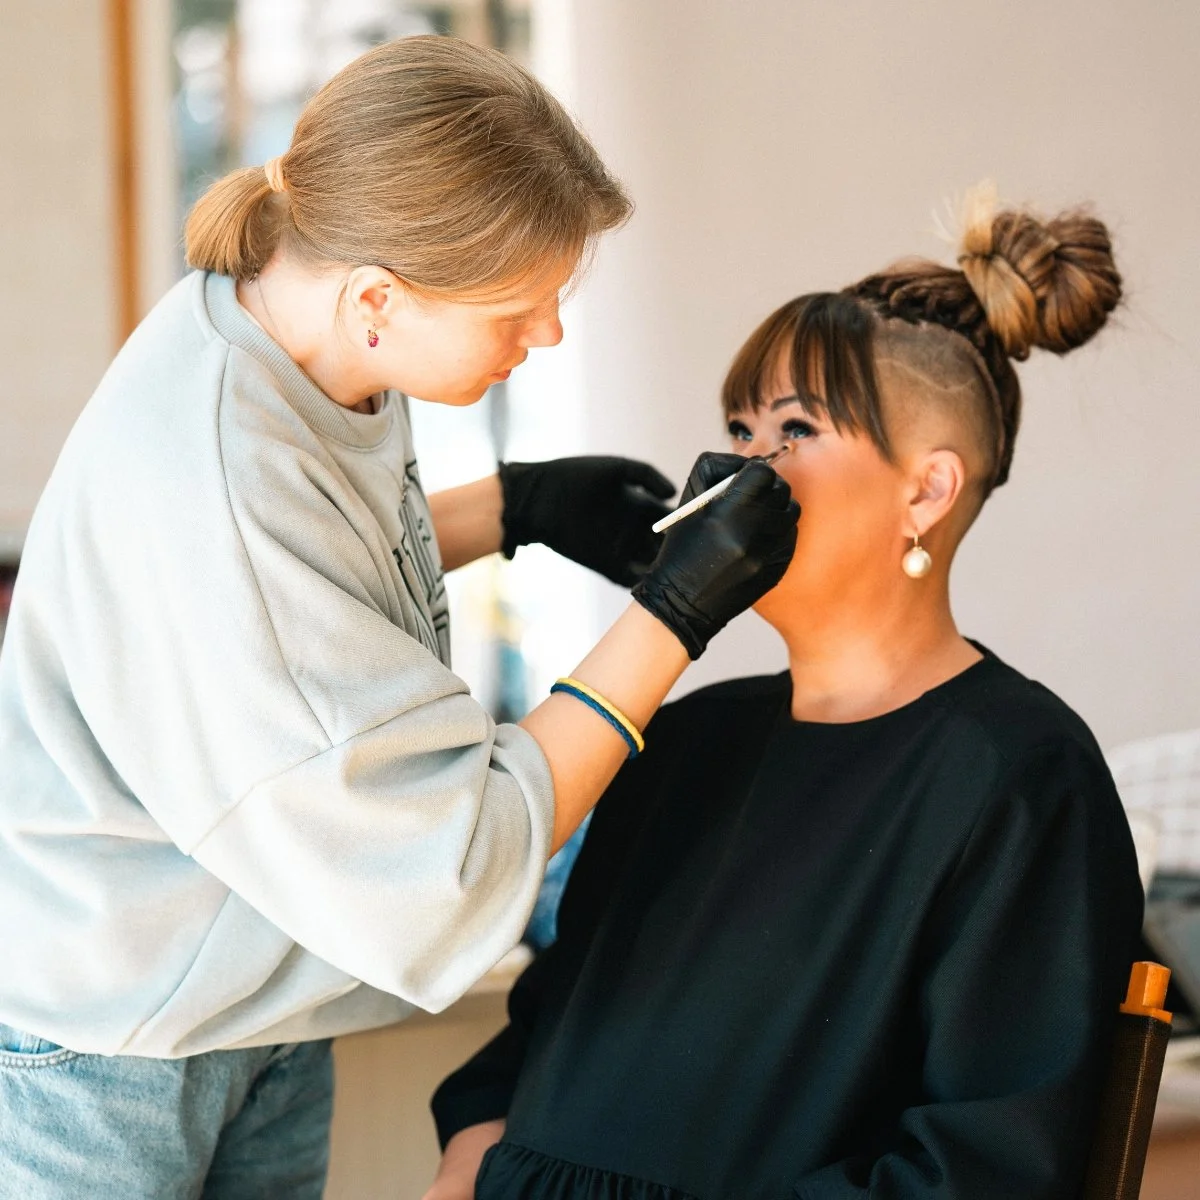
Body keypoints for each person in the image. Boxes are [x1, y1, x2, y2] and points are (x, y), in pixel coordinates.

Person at [0, 36, 799, 1198]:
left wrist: (514, 509)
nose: (549, 338)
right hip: (112, 1050)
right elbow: (453, 864)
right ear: (380, 299)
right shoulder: (217, 479)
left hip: (244, 997)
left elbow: (320, 571)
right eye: (521, 309)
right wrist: (671, 621)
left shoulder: (293, 332)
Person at [428, 191, 1144, 1200]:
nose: (734, 469)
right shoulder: (678, 738)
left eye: (794, 429)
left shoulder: (1020, 778)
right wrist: (474, 1151)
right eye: (737, 424)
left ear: (927, 492)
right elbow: (547, 1027)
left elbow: (984, 1167)